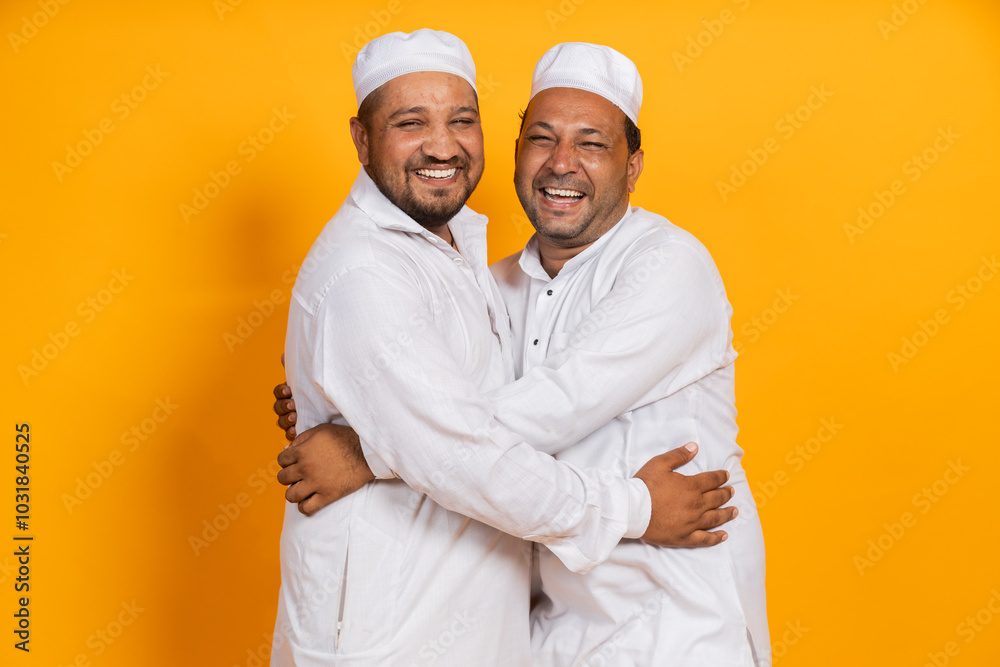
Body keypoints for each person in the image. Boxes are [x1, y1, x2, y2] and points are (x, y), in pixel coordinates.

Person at [270, 30, 737, 667]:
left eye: (592, 144)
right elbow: (452, 425)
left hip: (670, 625)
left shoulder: (669, 266)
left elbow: (546, 407)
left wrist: (367, 446)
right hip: (539, 627)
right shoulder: (485, 281)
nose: (562, 162)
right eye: (543, 138)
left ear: (633, 166)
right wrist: (368, 408)